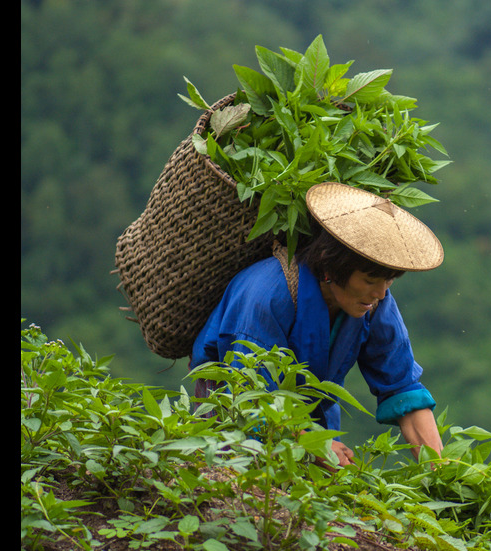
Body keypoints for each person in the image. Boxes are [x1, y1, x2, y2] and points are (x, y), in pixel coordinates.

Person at [189, 182, 444, 467]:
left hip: (314, 423)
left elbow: (401, 386)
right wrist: (313, 443)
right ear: (333, 267)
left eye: (389, 281)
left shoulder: (374, 301)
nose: (381, 293)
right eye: (371, 280)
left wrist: (438, 466)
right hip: (235, 425)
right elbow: (252, 402)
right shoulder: (267, 296)